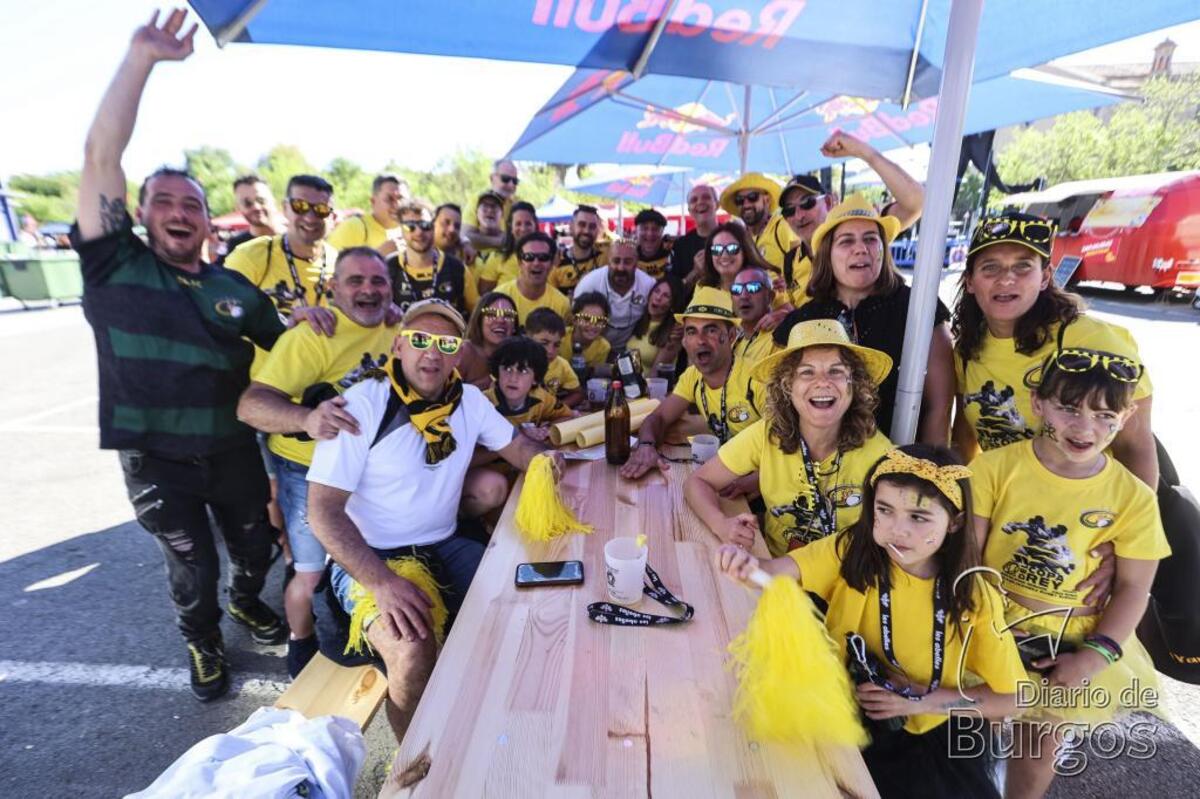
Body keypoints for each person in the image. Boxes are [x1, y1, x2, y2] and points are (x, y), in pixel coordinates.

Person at [73, 8, 287, 701]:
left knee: (256, 549)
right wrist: (140, 61)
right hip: (157, 459)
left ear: (204, 218)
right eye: (164, 200)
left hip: (231, 449)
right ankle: (201, 641)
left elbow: (287, 350)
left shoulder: (233, 288)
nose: (179, 210)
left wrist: (314, 322)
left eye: (191, 203)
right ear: (140, 213)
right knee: (190, 566)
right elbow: (100, 157)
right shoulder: (115, 264)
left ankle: (246, 599)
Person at [715, 445, 1025, 799]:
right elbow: (772, 573)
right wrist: (740, 563)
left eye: (918, 517)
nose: (897, 530)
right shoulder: (852, 550)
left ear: (954, 522)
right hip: (840, 719)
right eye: (885, 510)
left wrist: (919, 702)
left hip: (927, 744)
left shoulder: (972, 597)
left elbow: (1013, 699)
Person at [306, 299, 552, 743]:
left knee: (519, 599)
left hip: (442, 541)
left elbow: (521, 451)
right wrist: (381, 582)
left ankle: (494, 724)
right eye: (420, 340)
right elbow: (321, 511)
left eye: (446, 342)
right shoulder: (362, 405)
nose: (432, 352)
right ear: (398, 346)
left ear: (459, 353)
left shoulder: (469, 401)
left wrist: (564, 461)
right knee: (413, 649)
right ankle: (415, 764)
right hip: (370, 556)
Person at [971, 346, 1169, 798]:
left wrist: (1095, 656)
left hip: (1072, 639)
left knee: (1038, 747)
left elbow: (1135, 587)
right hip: (990, 625)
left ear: (1127, 414)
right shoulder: (993, 468)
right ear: (1039, 403)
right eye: (1068, 409)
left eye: (1104, 415)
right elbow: (968, 556)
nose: (1085, 427)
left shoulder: (1134, 498)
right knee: (967, 730)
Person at [236, 247, 398, 677]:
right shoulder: (311, 335)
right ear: (333, 290)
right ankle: (300, 646)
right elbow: (251, 406)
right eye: (356, 281)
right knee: (311, 574)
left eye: (378, 281)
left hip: (365, 475)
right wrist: (307, 418)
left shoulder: (396, 327)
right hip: (306, 473)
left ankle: (352, 638)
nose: (368, 290)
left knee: (362, 559)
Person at [950, 211, 1157, 487]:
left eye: (1023, 266)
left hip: (1085, 505)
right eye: (991, 267)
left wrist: (1132, 525)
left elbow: (1135, 445)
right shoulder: (967, 347)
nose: (1007, 279)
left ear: (1046, 277)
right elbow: (966, 438)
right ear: (970, 282)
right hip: (1004, 500)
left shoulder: (1092, 341)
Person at [686, 319, 893, 555]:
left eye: (836, 371)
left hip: (845, 584)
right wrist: (721, 524)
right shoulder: (766, 434)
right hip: (772, 574)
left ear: (853, 384)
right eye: (807, 372)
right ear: (787, 386)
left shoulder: (880, 455)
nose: (823, 382)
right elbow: (697, 482)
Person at [773, 195, 955, 445]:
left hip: (902, 460)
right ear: (827, 254)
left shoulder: (919, 306)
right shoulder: (805, 318)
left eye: (871, 239)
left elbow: (941, 406)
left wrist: (929, 473)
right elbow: (785, 405)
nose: (861, 249)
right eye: (846, 241)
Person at [620, 287, 762, 480]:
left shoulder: (758, 378)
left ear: (731, 337)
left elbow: (788, 443)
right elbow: (659, 417)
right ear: (685, 341)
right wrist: (646, 447)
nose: (700, 340)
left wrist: (751, 483)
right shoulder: (692, 376)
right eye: (692, 332)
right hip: (725, 474)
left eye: (711, 330)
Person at [779, 132, 924, 304]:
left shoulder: (861, 225)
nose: (799, 215)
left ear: (828, 201)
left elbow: (917, 203)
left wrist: (865, 153)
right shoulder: (789, 261)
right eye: (789, 210)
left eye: (807, 203)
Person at [225, 173, 337, 333]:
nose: (310, 218)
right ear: (285, 208)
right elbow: (220, 314)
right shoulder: (249, 256)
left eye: (321, 209)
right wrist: (288, 320)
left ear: (331, 216)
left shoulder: (340, 264)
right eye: (300, 206)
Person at [384, 198, 471, 315]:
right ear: (400, 229)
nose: (418, 232)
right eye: (410, 226)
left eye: (425, 225)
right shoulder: (387, 268)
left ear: (434, 226)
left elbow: (476, 314)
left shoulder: (457, 269)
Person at [572, 237, 656, 349]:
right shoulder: (589, 284)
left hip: (629, 347)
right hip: (592, 347)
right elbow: (576, 322)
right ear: (608, 261)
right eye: (616, 261)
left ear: (636, 263)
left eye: (627, 262)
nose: (621, 267)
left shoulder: (648, 285)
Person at [484, 335, 574, 439]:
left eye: (523, 371)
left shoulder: (542, 398)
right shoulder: (484, 403)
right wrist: (521, 435)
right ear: (497, 372)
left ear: (535, 379)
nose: (513, 379)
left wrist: (546, 430)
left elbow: (567, 416)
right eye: (508, 369)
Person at [718, 173, 795, 272]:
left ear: (766, 200)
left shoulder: (782, 227)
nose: (746, 204)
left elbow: (801, 267)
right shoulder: (739, 237)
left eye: (752, 197)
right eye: (739, 200)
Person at [495, 231, 572, 326]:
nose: (536, 263)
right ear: (519, 263)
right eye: (529, 257)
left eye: (543, 257)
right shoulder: (500, 297)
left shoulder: (562, 304)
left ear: (552, 264)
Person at [326, 174, 408, 254]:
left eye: (401, 199)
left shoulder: (411, 231)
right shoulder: (354, 227)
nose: (397, 205)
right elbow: (330, 265)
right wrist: (379, 255)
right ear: (373, 201)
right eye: (389, 199)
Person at [457, 291, 518, 389]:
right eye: (491, 314)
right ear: (479, 320)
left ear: (514, 326)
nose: (500, 320)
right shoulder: (464, 352)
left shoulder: (520, 356)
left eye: (508, 315)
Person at [626, 276, 684, 378]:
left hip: (651, 390)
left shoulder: (674, 333)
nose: (658, 297)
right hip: (629, 384)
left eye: (666, 296)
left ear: (672, 305)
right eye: (656, 291)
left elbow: (655, 375)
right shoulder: (639, 321)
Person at [525, 307, 584, 408]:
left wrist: (555, 407)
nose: (550, 351)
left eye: (556, 345)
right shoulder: (513, 361)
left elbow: (578, 394)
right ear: (527, 338)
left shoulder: (561, 365)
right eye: (544, 343)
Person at [477, 201, 538, 294]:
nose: (523, 228)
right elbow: (484, 294)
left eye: (528, 224)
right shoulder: (497, 257)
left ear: (535, 225)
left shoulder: (547, 256)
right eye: (518, 224)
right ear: (511, 227)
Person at [669, 184, 720, 292]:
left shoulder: (733, 237)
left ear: (717, 204)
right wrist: (696, 272)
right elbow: (675, 293)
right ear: (689, 210)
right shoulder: (680, 246)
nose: (700, 202)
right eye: (693, 200)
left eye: (706, 197)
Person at [221, 174, 281, 262]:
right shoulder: (236, 246)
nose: (256, 207)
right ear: (238, 208)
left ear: (273, 201)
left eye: (261, 200)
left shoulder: (295, 239)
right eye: (247, 203)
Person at [730, 266, 781, 369]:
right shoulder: (732, 340)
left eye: (753, 287)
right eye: (737, 289)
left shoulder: (780, 337)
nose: (743, 295)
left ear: (770, 297)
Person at [463, 159, 520, 251]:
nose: (511, 185)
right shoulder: (477, 200)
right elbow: (465, 236)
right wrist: (500, 242)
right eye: (505, 179)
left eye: (515, 181)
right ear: (492, 178)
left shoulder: (518, 204)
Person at [551, 204, 609, 293]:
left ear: (598, 230)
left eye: (592, 226)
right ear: (571, 226)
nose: (586, 231)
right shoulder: (557, 263)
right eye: (582, 225)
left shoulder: (606, 257)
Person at [465, 189, 507, 280]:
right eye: (485, 206)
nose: (489, 210)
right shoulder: (464, 243)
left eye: (494, 207)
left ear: (502, 214)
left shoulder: (510, 243)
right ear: (476, 212)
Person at [563, 291, 612, 368]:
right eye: (586, 319)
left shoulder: (603, 347)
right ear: (575, 319)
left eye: (599, 320)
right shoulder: (560, 337)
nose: (592, 325)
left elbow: (593, 375)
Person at [633, 208, 672, 278]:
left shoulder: (673, 256)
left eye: (655, 229)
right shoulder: (629, 256)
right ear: (636, 231)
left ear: (662, 232)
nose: (650, 234)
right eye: (644, 228)